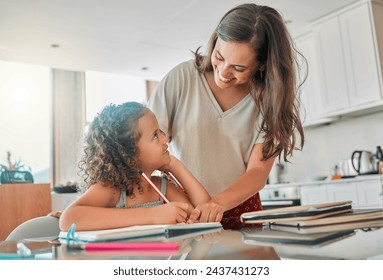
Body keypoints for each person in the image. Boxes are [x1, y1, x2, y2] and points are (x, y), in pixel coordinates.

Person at [148, 3, 305, 229]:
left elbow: (258, 172)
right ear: (214, 42)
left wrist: (217, 203)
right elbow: (149, 143)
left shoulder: (269, 102)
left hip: (241, 211)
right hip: (184, 208)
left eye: (238, 68)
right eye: (219, 56)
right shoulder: (183, 78)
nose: (223, 72)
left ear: (262, 65)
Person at [59, 102, 210, 231]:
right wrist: (152, 215)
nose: (165, 139)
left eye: (161, 132)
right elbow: (68, 219)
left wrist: (174, 165)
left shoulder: (163, 188)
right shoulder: (111, 190)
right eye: (155, 136)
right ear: (129, 153)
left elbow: (205, 212)